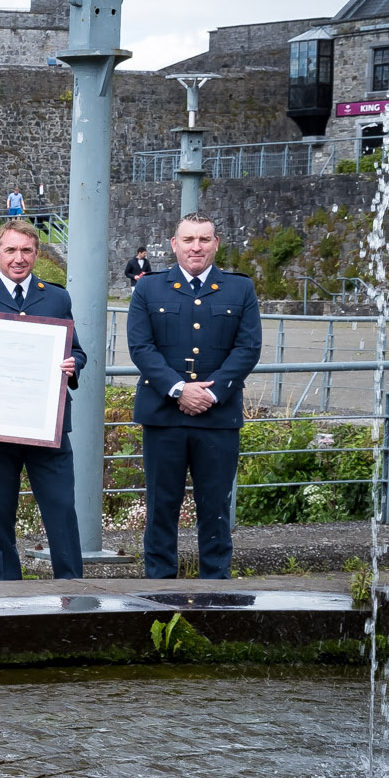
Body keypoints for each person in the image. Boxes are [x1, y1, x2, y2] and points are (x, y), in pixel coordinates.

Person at [127, 212, 263, 581]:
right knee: (161, 508)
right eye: (188, 240)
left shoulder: (239, 289)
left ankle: (216, 589)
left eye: (204, 239)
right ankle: (157, 591)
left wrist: (212, 393)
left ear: (216, 244)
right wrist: (179, 389)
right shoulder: (149, 288)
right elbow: (141, 348)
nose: (196, 247)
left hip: (217, 418)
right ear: (174, 245)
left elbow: (248, 349)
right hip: (163, 416)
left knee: (215, 508)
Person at [0, 222, 87, 582]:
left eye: (26, 250)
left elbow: (77, 351)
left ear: (37, 253)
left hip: (48, 425)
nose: (18, 258)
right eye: (10, 250)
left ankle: (72, 590)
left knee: (62, 510)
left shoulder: (57, 298)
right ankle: (4, 594)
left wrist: (73, 365)